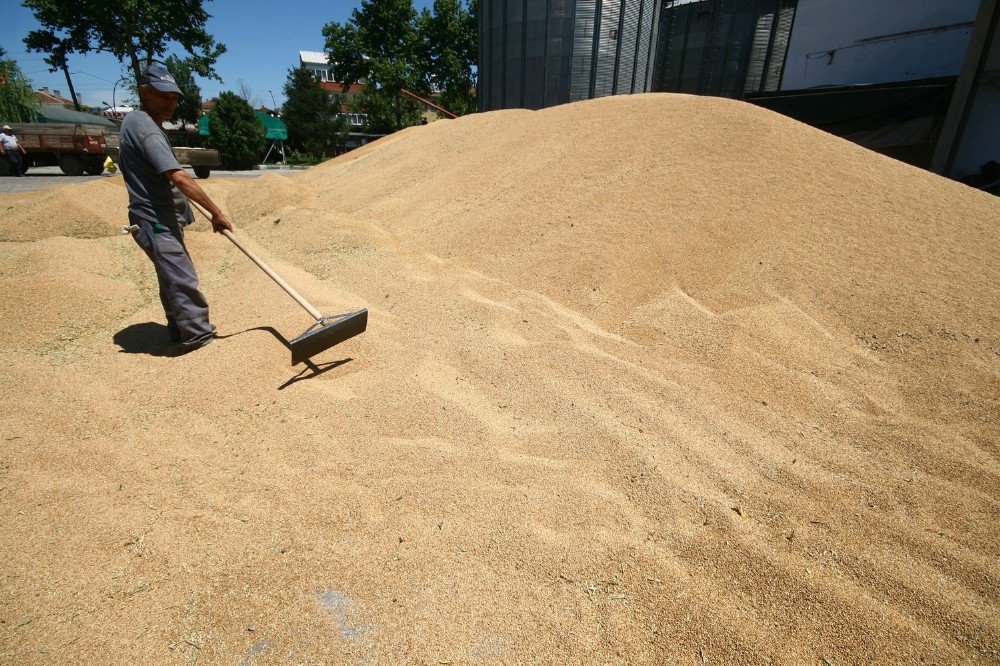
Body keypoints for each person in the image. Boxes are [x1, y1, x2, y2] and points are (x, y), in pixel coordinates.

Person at [118, 62, 233, 351]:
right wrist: (216, 212)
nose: (171, 102)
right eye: (164, 96)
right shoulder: (147, 129)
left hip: (157, 216)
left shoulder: (140, 122)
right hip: (154, 218)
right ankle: (198, 336)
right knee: (180, 275)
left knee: (170, 273)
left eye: (174, 97)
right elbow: (179, 176)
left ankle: (179, 329)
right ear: (145, 91)